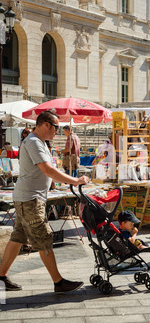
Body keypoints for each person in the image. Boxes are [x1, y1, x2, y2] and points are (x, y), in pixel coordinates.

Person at [0, 110, 89, 293]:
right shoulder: (33, 142)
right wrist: (75, 181)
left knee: (18, 238)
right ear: (46, 124)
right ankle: (58, 283)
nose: (57, 131)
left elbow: (45, 172)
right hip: (31, 200)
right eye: (56, 127)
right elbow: (47, 170)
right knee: (44, 238)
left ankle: (1, 277)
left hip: (28, 198)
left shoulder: (39, 142)